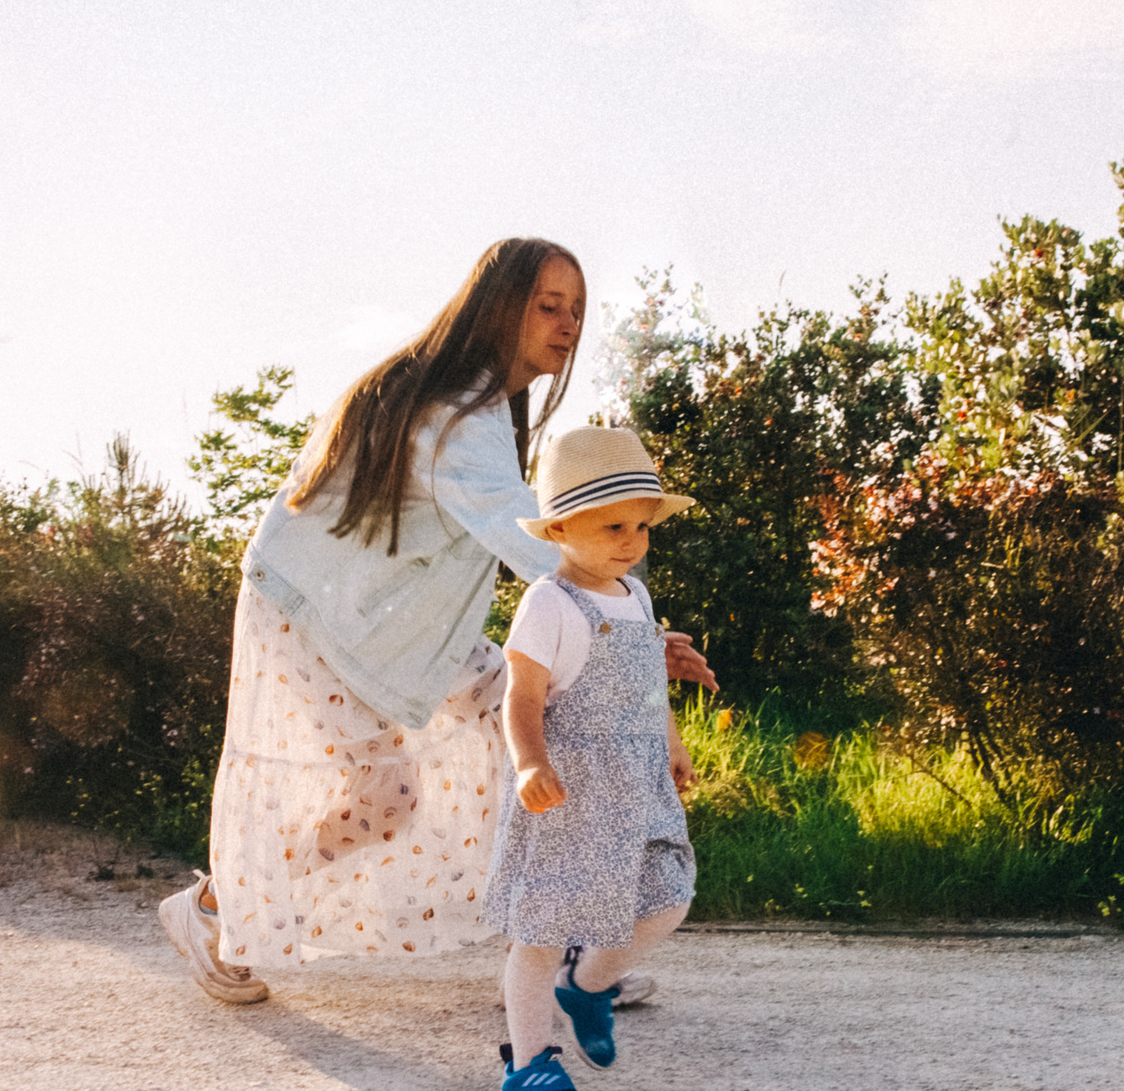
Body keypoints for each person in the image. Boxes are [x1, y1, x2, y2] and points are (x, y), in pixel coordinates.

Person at [156, 238, 717, 1003]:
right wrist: (633, 629)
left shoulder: (476, 405)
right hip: (317, 613)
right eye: (548, 306)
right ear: (501, 309)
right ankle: (214, 907)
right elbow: (541, 545)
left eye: (577, 310)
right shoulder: (459, 417)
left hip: (399, 623)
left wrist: (632, 639)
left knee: (534, 721)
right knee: (391, 797)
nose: (568, 324)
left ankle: (567, 955)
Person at [486, 427, 698, 1091]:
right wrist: (529, 761)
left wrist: (672, 743)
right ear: (558, 528)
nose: (632, 541)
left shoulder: (635, 595)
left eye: (642, 525)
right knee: (541, 932)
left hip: (638, 786)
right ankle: (528, 1070)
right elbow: (520, 696)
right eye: (613, 526)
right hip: (569, 792)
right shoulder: (548, 603)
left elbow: (647, 686)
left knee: (668, 897)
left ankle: (588, 984)